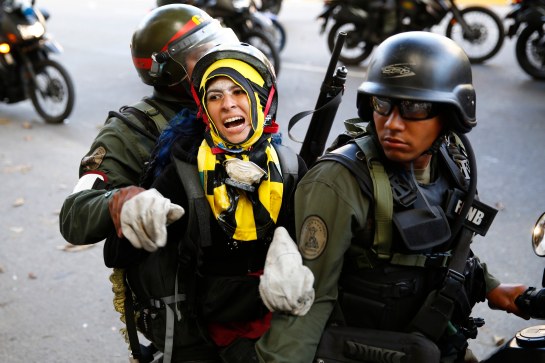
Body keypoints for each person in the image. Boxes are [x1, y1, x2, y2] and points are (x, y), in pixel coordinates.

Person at [255, 31, 531, 363]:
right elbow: (307, 300)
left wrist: (491, 287)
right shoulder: (338, 182)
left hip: (436, 339)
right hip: (368, 349)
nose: (392, 124)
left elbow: (446, 243)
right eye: (382, 104)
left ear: (449, 115)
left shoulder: (451, 158)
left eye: (415, 107)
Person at [111, 42, 310, 363]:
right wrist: (132, 215)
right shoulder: (186, 170)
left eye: (239, 92)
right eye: (215, 96)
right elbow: (122, 256)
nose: (228, 104)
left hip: (278, 329)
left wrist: (295, 265)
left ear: (262, 101)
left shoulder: (288, 167)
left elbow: (317, 250)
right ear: (204, 109)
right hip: (204, 334)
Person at [59, 4, 238, 250]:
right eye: (204, 56)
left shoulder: (236, 105)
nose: (220, 60)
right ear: (170, 71)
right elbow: (74, 214)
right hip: (182, 279)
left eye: (219, 47)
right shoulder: (131, 131)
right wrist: (119, 202)